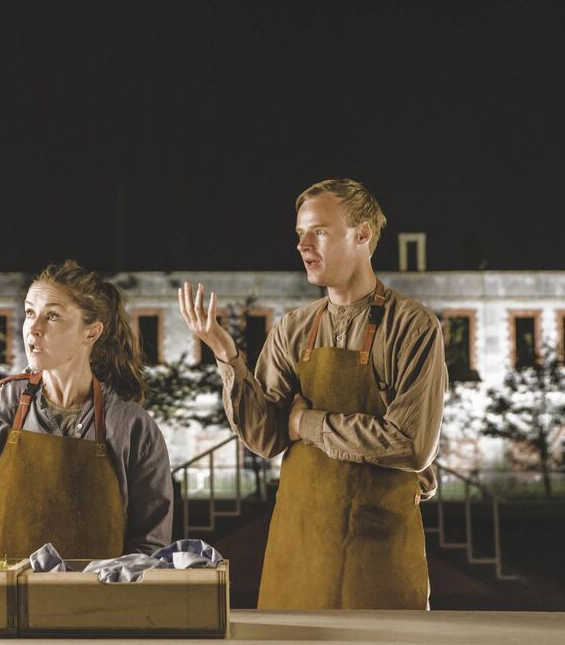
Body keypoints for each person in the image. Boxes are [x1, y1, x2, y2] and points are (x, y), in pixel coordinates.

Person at [179, 178, 446, 610]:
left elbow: (412, 446)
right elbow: (266, 438)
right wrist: (227, 355)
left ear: (362, 235)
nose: (303, 244)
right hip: (300, 540)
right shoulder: (293, 328)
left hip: (380, 547)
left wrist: (307, 422)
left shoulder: (413, 327)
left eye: (319, 230)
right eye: (300, 233)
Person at [0, 260, 174, 559]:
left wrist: (118, 597)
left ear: (91, 332)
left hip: (99, 603)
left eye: (53, 316)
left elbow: (150, 541)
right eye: (30, 312)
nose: (33, 327)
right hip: (3, 601)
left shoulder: (132, 427)